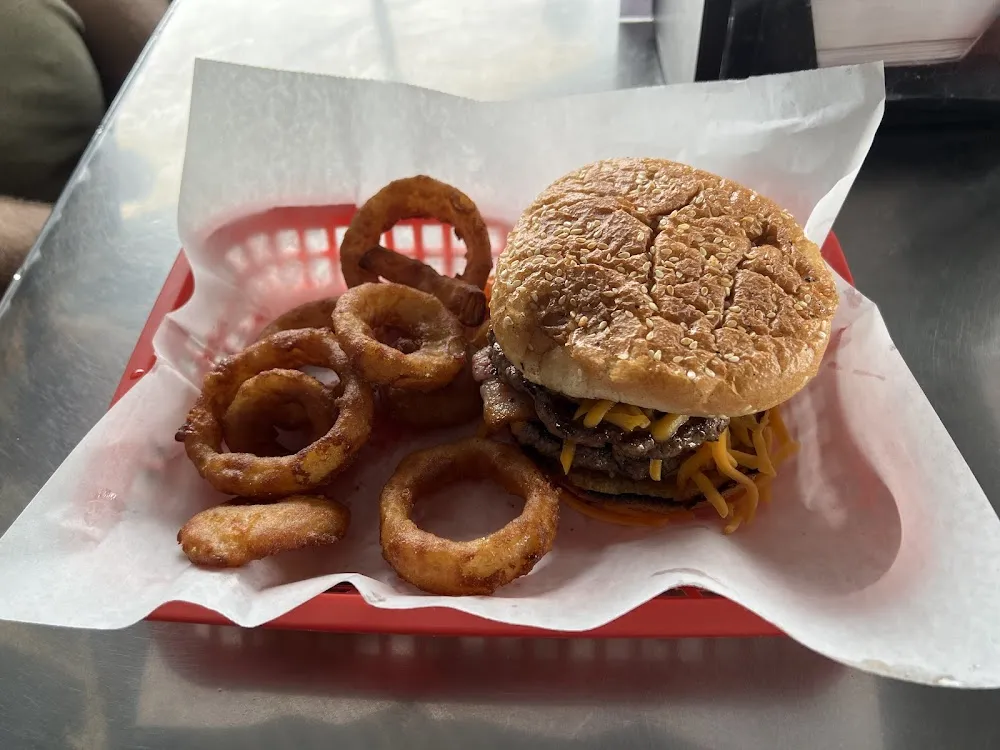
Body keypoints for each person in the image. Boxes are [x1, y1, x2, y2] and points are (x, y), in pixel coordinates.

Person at [0, 0, 167, 291]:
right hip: (60, 281)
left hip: (135, 209)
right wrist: (92, 248)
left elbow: (165, 56)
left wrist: (179, 60)